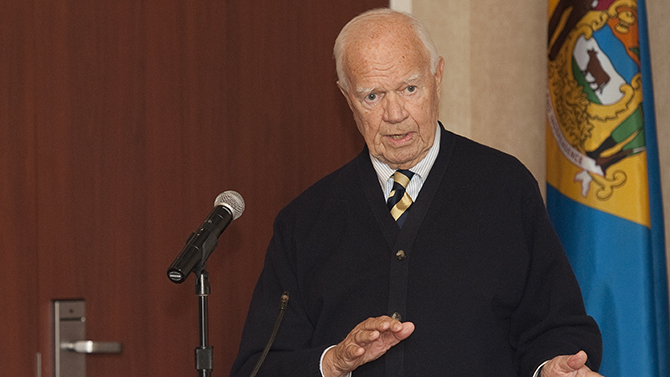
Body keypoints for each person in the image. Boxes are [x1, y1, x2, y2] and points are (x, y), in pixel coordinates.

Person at [231, 8, 602, 377]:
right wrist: (333, 362)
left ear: (437, 77)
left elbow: (555, 326)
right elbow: (258, 367)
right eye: (372, 96)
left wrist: (550, 369)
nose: (395, 113)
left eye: (409, 88)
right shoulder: (305, 221)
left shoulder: (505, 187)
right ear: (347, 97)